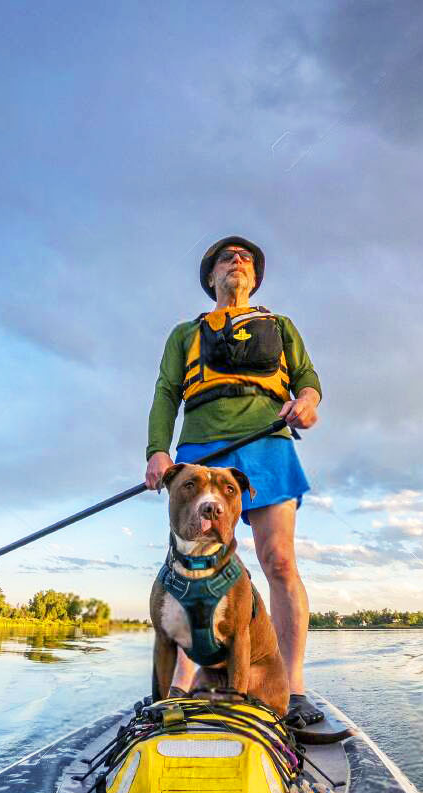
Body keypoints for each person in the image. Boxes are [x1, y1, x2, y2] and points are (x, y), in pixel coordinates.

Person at [144, 235, 324, 727]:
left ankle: (293, 687)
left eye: (245, 258)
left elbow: (307, 380)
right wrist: (158, 450)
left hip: (267, 443)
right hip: (202, 448)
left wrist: (306, 403)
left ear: (256, 278)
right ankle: (177, 689)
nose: (237, 262)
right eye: (227, 258)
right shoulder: (185, 333)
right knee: (189, 566)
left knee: (278, 560)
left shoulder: (281, 326)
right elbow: (166, 393)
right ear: (211, 277)